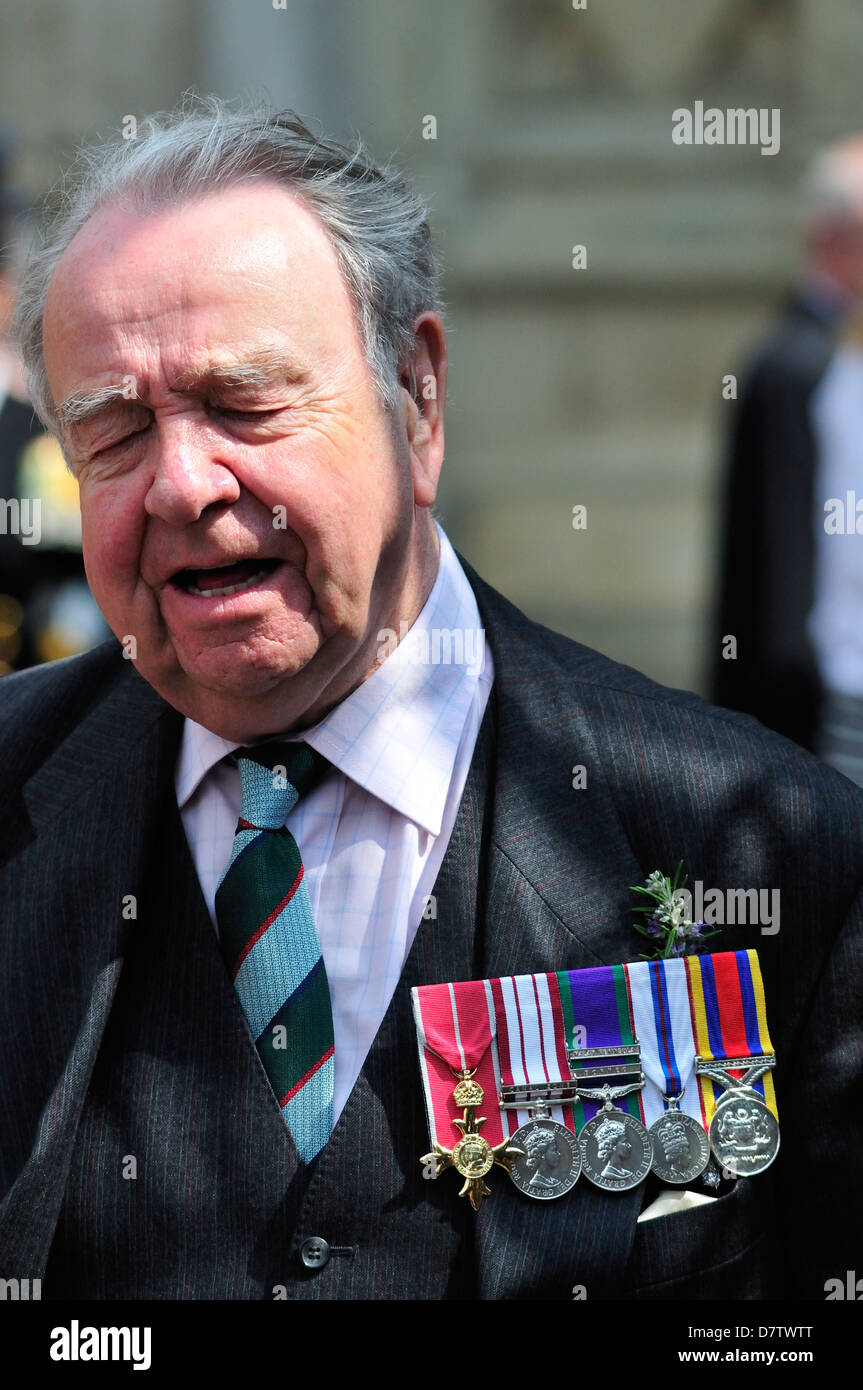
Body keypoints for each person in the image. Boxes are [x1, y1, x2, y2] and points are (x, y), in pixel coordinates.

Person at [0, 98, 860, 1302]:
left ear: (418, 396)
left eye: (246, 402)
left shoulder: (756, 839)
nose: (182, 483)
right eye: (117, 433)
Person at [712, 136, 863, 752]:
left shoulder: (793, 356)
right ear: (834, 240)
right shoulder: (808, 365)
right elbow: (785, 565)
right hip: (814, 709)